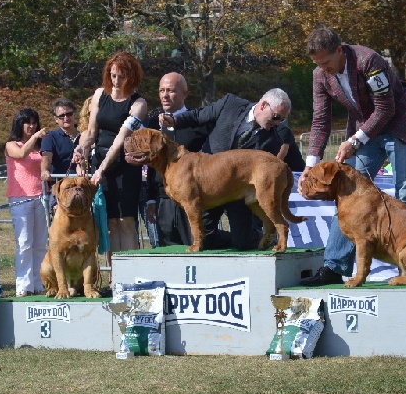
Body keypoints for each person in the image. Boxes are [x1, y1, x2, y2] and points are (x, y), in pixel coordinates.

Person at [297, 27, 406, 286]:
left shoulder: (369, 61)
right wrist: (310, 166)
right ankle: (333, 266)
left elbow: (386, 108)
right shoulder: (320, 75)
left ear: (339, 51)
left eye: (326, 62)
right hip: (365, 130)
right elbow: (321, 121)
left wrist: (355, 140)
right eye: (317, 64)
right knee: (345, 195)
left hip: (400, 124)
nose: (323, 68)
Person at [159, 87, 294, 250]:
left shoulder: (274, 140)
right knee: (204, 237)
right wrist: (175, 121)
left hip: (239, 190)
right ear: (263, 105)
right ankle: (231, 242)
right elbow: (198, 115)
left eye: (282, 120)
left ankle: (260, 235)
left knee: (243, 242)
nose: (278, 123)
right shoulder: (231, 103)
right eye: (276, 117)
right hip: (209, 180)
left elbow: (265, 184)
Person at [74, 52, 148, 254]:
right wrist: (82, 150)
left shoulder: (138, 104)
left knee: (126, 222)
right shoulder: (100, 94)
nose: (116, 81)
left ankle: (132, 277)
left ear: (131, 77)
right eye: (113, 75)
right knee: (110, 222)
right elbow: (90, 132)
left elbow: (120, 141)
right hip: (102, 164)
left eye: (121, 77)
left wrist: (101, 168)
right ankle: (115, 277)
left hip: (125, 165)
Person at [144, 72, 212, 247]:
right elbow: (152, 164)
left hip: (192, 201)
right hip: (163, 201)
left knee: (195, 249)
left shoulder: (199, 123)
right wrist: (151, 198)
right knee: (167, 253)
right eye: (161, 90)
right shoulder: (152, 125)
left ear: (185, 94)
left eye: (171, 91)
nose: (165, 95)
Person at [5, 108, 49, 296]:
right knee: (24, 243)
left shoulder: (41, 145)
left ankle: (39, 283)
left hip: (41, 196)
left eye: (34, 122)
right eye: (27, 122)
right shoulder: (10, 144)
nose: (31, 126)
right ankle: (24, 285)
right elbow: (22, 154)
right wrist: (36, 137)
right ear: (20, 124)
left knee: (40, 243)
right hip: (20, 198)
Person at [41, 98, 81, 182]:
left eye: (69, 114)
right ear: (56, 119)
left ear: (74, 115)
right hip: (61, 186)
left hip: (83, 185)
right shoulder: (50, 137)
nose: (66, 118)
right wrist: (45, 170)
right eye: (61, 116)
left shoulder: (85, 136)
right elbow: (46, 157)